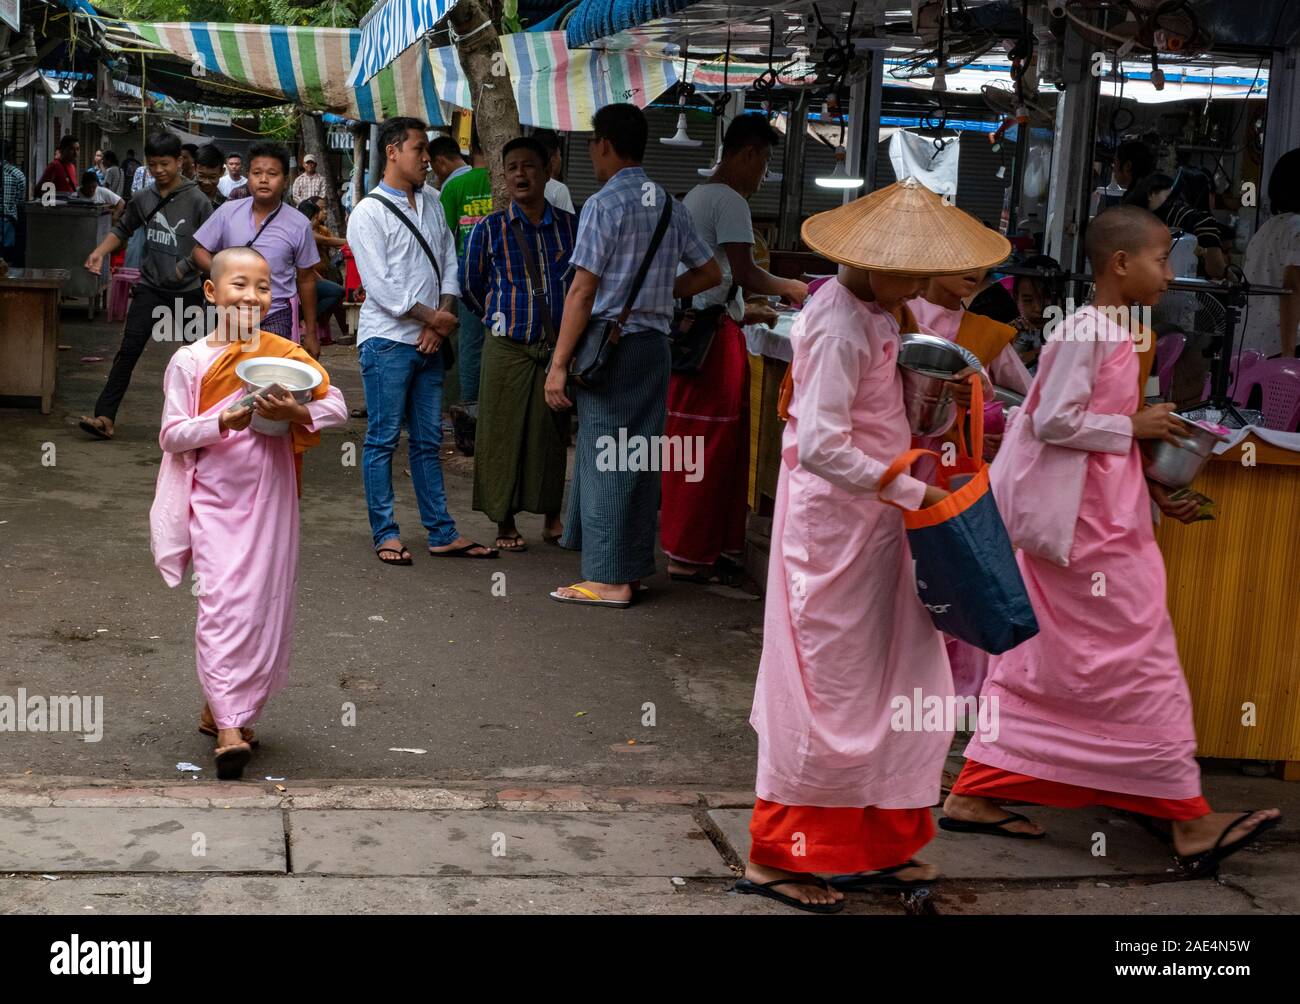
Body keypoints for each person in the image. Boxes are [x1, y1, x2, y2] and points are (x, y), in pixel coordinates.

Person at [941, 206, 1282, 875]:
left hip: (1103, 520)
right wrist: (1136, 425)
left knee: (1054, 665)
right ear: (1121, 264)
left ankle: (978, 790)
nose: (1173, 273)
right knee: (1143, 659)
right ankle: (1185, 817)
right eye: (1162, 259)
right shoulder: (1086, 329)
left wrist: (1155, 483)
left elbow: (1098, 435)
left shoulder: (1121, 331)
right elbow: (1051, 420)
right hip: (1087, 537)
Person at [734, 179, 1011, 913]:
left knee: (899, 684)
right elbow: (822, 445)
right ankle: (781, 855)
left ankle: (877, 845)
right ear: (869, 262)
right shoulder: (835, 323)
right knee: (828, 693)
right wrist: (909, 486)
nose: (921, 287)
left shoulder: (882, 308)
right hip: (837, 533)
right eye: (911, 273)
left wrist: (927, 430)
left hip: (884, 525)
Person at [150, 246, 347, 779]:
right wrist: (224, 422)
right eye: (239, 285)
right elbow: (171, 435)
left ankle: (224, 710)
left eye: (263, 288)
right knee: (221, 604)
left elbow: (338, 405)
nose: (252, 296)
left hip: (271, 499)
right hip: (213, 501)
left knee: (261, 608)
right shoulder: (189, 362)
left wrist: (297, 411)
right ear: (212, 293)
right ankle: (232, 729)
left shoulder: (283, 354)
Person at [542, 103, 720, 607]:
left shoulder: (604, 204)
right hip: (653, 348)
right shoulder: (666, 204)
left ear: (602, 144)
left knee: (604, 459)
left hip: (610, 350)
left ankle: (609, 580)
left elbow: (582, 291)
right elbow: (711, 275)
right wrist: (660, 296)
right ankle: (630, 570)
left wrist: (558, 365)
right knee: (637, 458)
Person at [661, 113, 807, 585]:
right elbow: (745, 273)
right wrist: (796, 288)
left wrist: (748, 311)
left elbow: (722, 276)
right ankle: (688, 552)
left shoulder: (698, 194)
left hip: (699, 329)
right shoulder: (729, 201)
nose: (764, 177)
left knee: (702, 443)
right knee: (710, 442)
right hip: (709, 339)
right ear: (748, 154)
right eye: (764, 164)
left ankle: (715, 545)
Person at [346, 116, 498, 565]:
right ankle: (386, 533)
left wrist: (440, 319)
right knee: (382, 440)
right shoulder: (368, 212)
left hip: (430, 341)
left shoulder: (432, 201)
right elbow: (382, 286)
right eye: (418, 150)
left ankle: (441, 532)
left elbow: (450, 262)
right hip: (387, 342)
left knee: (428, 441)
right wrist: (434, 318)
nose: (427, 161)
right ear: (392, 151)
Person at [461, 136, 577, 551]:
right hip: (506, 347)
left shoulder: (571, 226)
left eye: (529, 166)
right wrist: (499, 319)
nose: (520, 174)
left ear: (547, 171)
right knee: (499, 433)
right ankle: (504, 522)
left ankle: (551, 516)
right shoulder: (488, 230)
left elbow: (583, 287)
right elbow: (470, 287)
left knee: (551, 433)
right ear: (503, 175)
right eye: (512, 168)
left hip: (554, 348)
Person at [79, 131, 215, 441]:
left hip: (188, 291)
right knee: (128, 351)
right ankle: (105, 417)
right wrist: (99, 252)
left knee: (197, 360)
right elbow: (123, 229)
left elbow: (211, 245)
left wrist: (188, 267)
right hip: (150, 288)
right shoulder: (143, 198)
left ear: (179, 161)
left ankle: (204, 423)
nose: (159, 171)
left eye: (165, 164)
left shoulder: (197, 201)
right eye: (152, 164)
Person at [192, 142, 320, 354]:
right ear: (247, 177)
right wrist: (224, 271)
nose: (263, 179)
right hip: (228, 311)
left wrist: (312, 333)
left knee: (267, 381)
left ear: (285, 181)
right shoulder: (227, 212)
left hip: (274, 315)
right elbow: (199, 250)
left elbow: (306, 279)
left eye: (272, 173)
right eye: (256, 173)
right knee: (223, 377)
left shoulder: (299, 224)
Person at [436, 130, 493, 455]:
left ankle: (470, 419)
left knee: (470, 349)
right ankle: (493, 417)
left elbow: (443, 240)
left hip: (467, 279)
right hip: (506, 280)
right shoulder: (505, 184)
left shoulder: (456, 187)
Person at [1241, 149, 1300, 358]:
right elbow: (1292, 289)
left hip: (1252, 343)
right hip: (1283, 345)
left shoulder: (1268, 227)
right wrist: (1288, 353)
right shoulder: (1297, 227)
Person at [1125, 172, 1228, 279]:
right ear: (1152, 194)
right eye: (1168, 195)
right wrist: (1235, 279)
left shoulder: (1133, 222)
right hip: (1187, 292)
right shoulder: (1201, 219)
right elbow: (1216, 268)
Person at [296, 197, 349, 342]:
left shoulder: (322, 229)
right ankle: (306, 319)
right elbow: (327, 241)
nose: (323, 213)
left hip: (324, 272)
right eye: (320, 210)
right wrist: (351, 241)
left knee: (338, 293)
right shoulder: (303, 231)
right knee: (336, 291)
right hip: (309, 276)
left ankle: (344, 331)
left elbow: (332, 241)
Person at [1010, 254, 1063, 371]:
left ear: (1060, 298)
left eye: (1047, 298)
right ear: (1015, 299)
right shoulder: (1006, 334)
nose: (1038, 308)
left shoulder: (1076, 332)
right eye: (1028, 300)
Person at [534, 129, 575, 214]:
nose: (561, 159)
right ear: (553, 160)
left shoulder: (523, 186)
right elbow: (568, 225)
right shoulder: (559, 190)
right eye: (559, 155)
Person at [194, 145, 226, 209]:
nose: (206, 182)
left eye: (212, 177)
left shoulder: (225, 205)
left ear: (222, 172)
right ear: (194, 169)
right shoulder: (184, 197)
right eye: (201, 176)